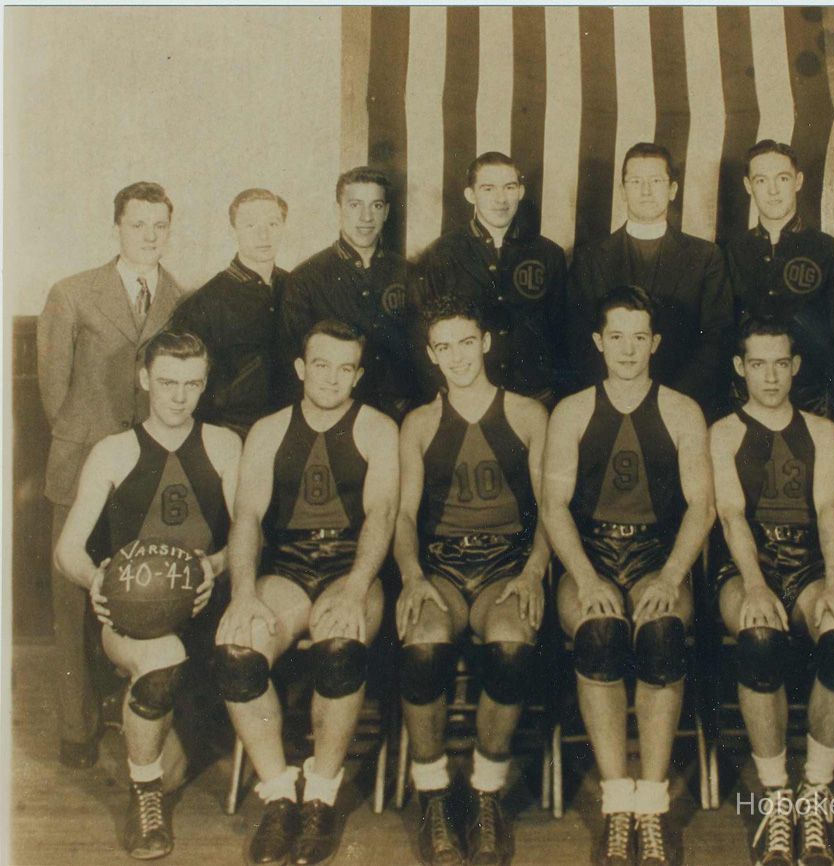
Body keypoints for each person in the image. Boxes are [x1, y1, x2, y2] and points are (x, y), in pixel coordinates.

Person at [213, 320, 400, 866]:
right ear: (300, 368)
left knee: (339, 646)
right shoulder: (269, 430)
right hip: (288, 569)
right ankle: (277, 796)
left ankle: (320, 795)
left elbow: (382, 513)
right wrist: (243, 593)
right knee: (238, 650)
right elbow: (247, 517)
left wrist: (357, 588)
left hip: (352, 567)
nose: (332, 378)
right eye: (321, 365)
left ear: (358, 375)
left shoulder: (377, 428)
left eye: (345, 368)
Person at [543, 286, 714, 866]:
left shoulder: (682, 410)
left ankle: (652, 805)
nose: (627, 349)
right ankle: (618, 803)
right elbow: (553, 507)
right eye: (616, 336)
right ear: (598, 341)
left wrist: (670, 576)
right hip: (590, 555)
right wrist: (587, 579)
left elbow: (702, 506)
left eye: (639, 337)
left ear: (655, 343)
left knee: (661, 635)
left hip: (655, 557)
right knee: (599, 636)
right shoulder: (572, 412)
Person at [54, 331, 240, 859]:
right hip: (135, 619)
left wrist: (215, 565)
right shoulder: (112, 452)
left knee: (177, 767)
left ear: (204, 383)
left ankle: (165, 737)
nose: (179, 397)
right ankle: (144, 801)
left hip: (205, 616)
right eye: (167, 383)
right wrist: (96, 582)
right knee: (160, 669)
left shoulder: (225, 445)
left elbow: (251, 536)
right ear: (144, 380)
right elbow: (67, 549)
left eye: (192, 384)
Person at [393, 294, 551, 866]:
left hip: (506, 567)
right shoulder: (419, 423)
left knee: (510, 647)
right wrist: (412, 576)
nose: (457, 357)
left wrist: (534, 572)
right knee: (421, 646)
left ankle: (487, 794)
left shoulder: (527, 415)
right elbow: (403, 515)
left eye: (466, 342)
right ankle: (433, 796)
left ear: (485, 342)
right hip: (440, 566)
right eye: (444, 347)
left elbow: (551, 509)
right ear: (431, 355)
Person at [38, 181, 185, 768]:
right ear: (117, 227)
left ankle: (138, 715)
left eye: (159, 225)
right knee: (73, 599)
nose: (149, 236)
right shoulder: (72, 294)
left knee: (140, 591)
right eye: (137, 224)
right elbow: (54, 393)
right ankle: (75, 728)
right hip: (81, 462)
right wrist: (93, 445)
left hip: (147, 471)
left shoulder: (180, 297)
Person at [708, 318, 834, 866]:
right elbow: (730, 514)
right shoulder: (724, 432)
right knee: (758, 637)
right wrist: (754, 584)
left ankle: (814, 790)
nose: (770, 377)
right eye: (758, 364)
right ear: (740, 368)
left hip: (809, 563)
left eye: (780, 364)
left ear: (795, 367)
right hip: (748, 562)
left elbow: (829, 509)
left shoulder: (822, 431)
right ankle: (775, 794)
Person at [566, 143, 733, 419]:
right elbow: (578, 339)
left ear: (672, 189)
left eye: (655, 181)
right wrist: (615, 399)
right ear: (623, 190)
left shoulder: (706, 257)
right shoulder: (589, 258)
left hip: (683, 407)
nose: (646, 191)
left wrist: (673, 402)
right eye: (636, 181)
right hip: (607, 409)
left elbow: (717, 340)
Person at [723, 140, 834, 419]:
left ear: (798, 181)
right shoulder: (729, 253)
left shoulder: (832, 254)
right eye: (761, 180)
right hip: (743, 405)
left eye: (782, 178)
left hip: (814, 407)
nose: (773, 190)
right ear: (749, 186)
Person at [277, 166, 427, 424]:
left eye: (376, 206)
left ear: (386, 212)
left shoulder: (410, 273)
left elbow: (424, 351)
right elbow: (292, 365)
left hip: (401, 413)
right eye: (355, 205)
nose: (366, 217)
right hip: (334, 415)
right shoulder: (305, 279)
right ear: (338, 210)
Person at [419, 152, 568, 405]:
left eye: (509, 187)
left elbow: (562, 331)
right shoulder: (441, 254)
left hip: (535, 394)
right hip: (467, 395)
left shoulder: (548, 253)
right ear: (470, 194)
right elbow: (425, 330)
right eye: (488, 189)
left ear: (521, 191)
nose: (501, 199)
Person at [172, 188, 290, 437]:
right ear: (232, 230)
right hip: (231, 432)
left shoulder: (298, 288)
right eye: (250, 225)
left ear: (283, 227)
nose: (263, 234)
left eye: (272, 224)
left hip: (292, 428)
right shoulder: (204, 302)